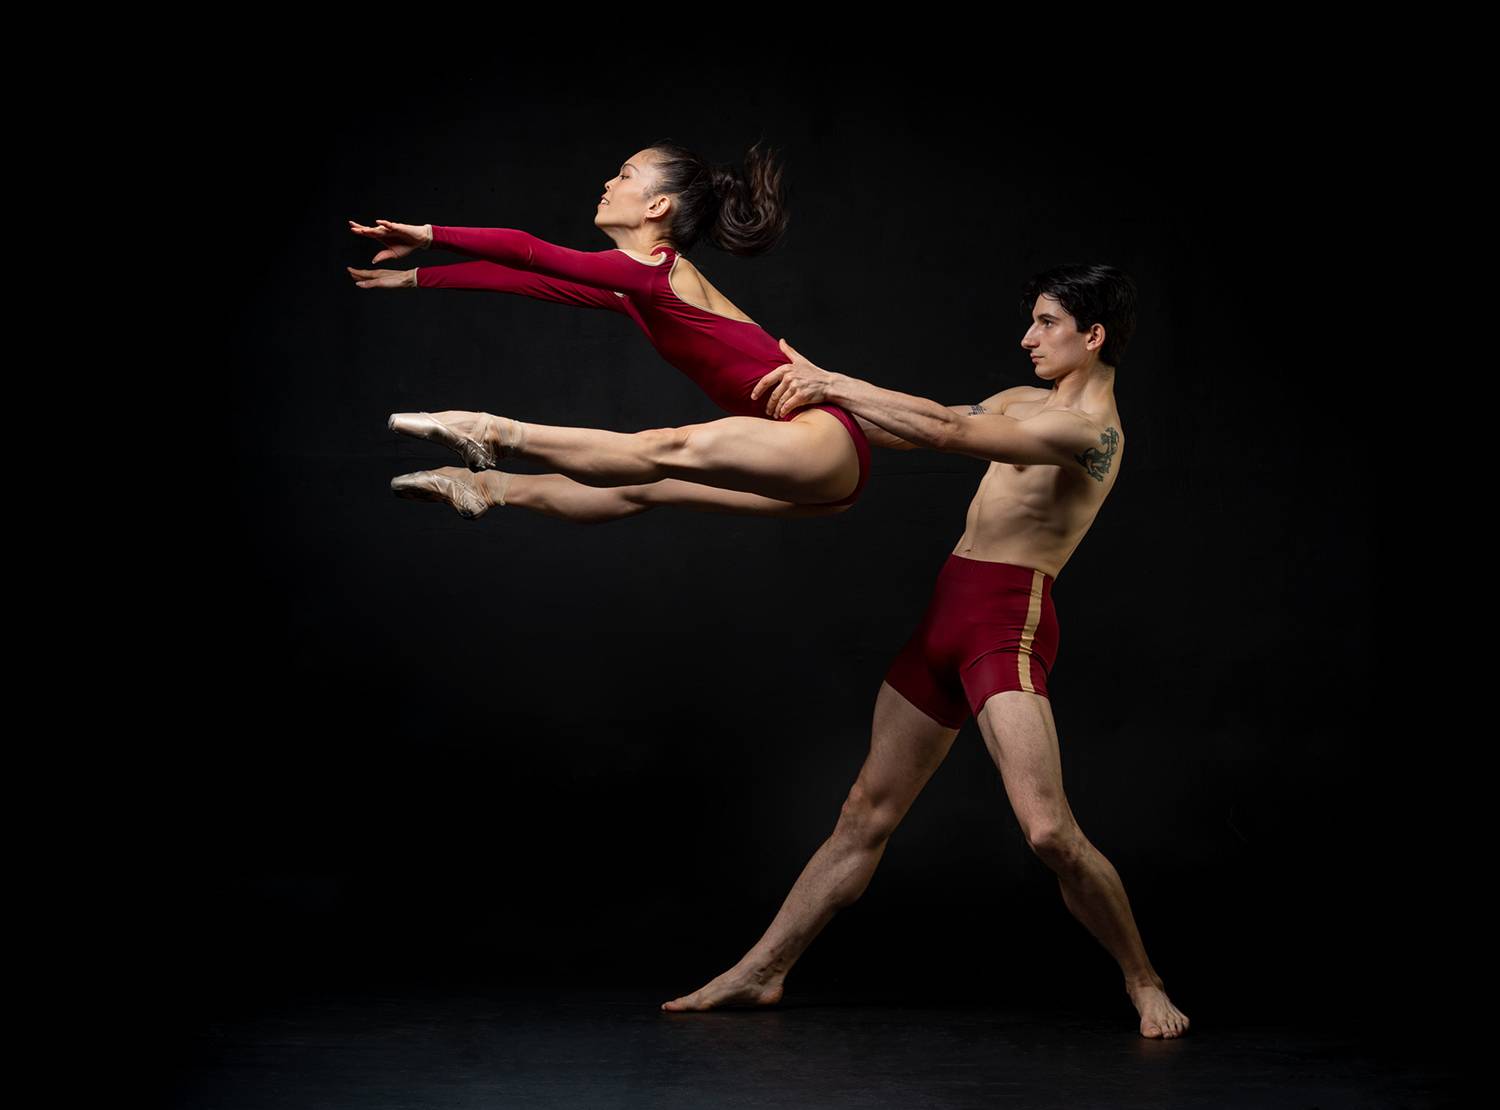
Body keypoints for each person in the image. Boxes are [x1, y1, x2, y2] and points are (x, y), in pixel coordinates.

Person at [659, 264, 1191, 1039]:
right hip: (946, 614)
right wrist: (808, 401)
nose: (1028, 337)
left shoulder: (1091, 434)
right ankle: (762, 970)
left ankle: (1144, 979)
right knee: (863, 811)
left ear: (1094, 335)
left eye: (1046, 323)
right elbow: (914, 424)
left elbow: (948, 432)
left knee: (1047, 831)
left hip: (1005, 625)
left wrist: (832, 382)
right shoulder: (1021, 402)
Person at [346, 139, 871, 520]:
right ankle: (486, 488)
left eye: (624, 175)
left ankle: (493, 431)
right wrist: (413, 277)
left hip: (819, 439)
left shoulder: (658, 270)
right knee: (641, 486)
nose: (608, 184)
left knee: (665, 447)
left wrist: (430, 235)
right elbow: (526, 281)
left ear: (657, 205)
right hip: (816, 480)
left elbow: (529, 251)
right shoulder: (636, 288)